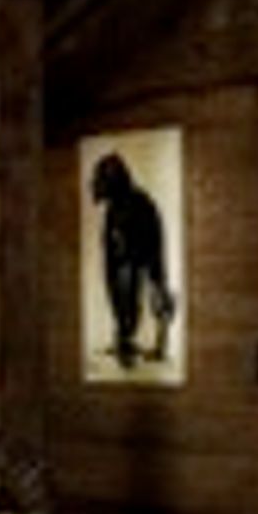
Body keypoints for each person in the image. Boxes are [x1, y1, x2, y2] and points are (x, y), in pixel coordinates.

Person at [90, 152, 176, 369]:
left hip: (140, 254)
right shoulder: (115, 208)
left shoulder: (138, 204)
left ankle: (144, 340)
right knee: (123, 289)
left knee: (149, 287)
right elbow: (111, 250)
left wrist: (146, 271)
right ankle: (125, 336)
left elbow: (143, 251)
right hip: (124, 258)